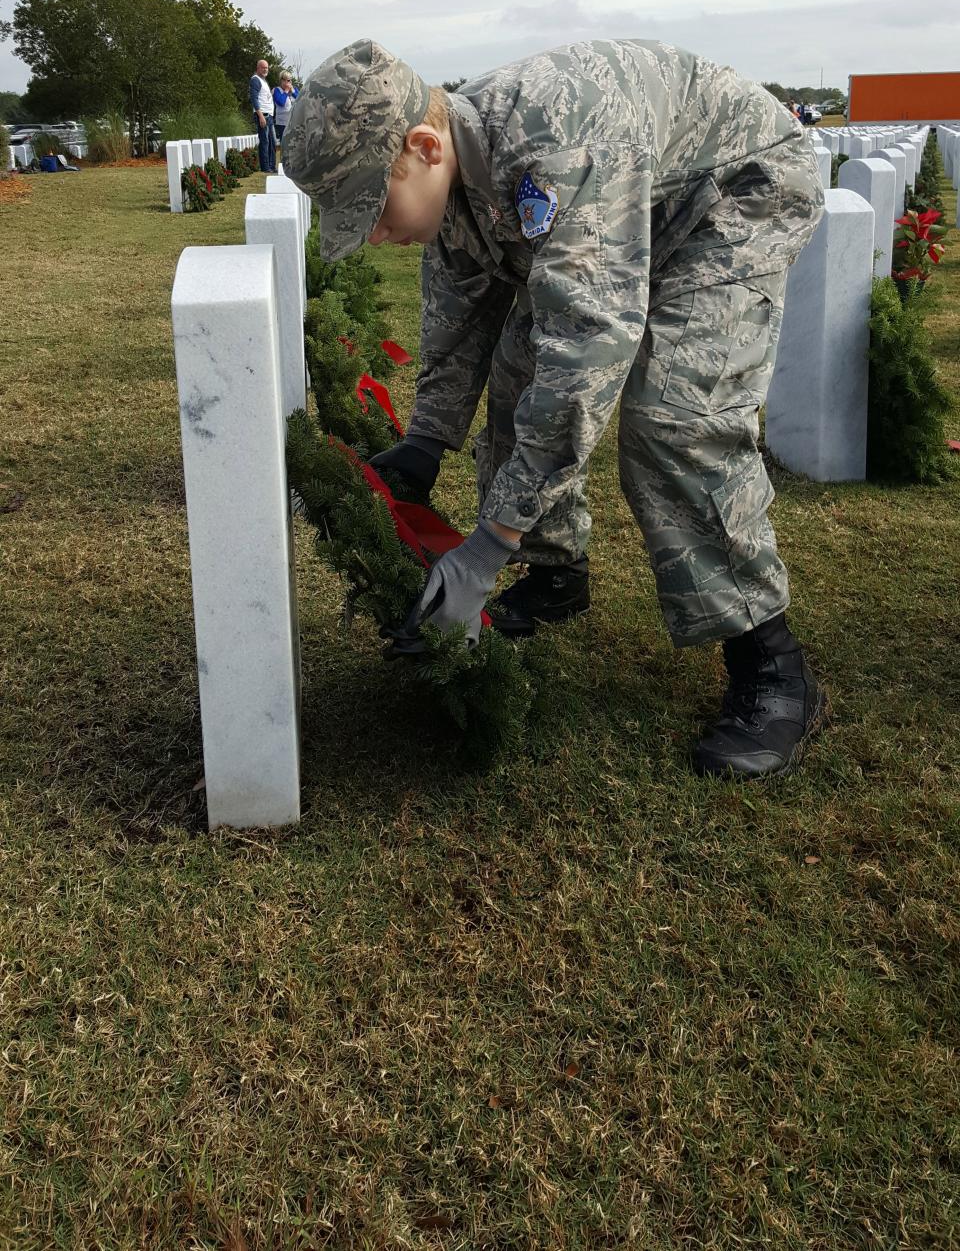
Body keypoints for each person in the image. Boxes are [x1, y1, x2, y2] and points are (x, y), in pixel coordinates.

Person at [283, 38, 827, 780]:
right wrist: (427, 440)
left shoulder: (555, 144)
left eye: (372, 207)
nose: (374, 233)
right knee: (516, 374)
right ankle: (556, 571)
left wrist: (485, 544)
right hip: (641, 207)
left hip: (735, 190)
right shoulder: (458, 162)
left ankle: (771, 662)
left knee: (674, 416)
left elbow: (586, 355)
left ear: (423, 145)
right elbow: (459, 308)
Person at [249, 59, 276, 173]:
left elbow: (264, 97)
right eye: (263, 67)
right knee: (265, 141)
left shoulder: (264, 81)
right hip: (263, 115)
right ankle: (265, 167)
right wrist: (260, 116)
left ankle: (271, 165)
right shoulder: (255, 80)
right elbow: (254, 99)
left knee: (272, 141)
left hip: (269, 115)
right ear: (258, 68)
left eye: (267, 68)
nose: (265, 70)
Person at [272, 71, 299, 148]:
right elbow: (281, 102)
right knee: (285, 144)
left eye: (290, 80)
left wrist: (293, 92)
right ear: (282, 80)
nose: (289, 82)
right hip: (282, 123)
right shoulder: (276, 90)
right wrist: (286, 91)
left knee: (295, 144)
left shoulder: (295, 90)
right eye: (287, 80)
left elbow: (301, 100)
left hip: (294, 122)